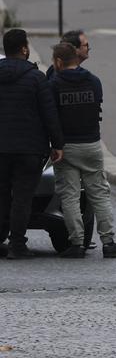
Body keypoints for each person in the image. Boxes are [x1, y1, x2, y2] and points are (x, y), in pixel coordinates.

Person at [49, 42, 116, 259]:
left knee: (70, 196)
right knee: (99, 193)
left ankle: (77, 243)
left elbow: (51, 117)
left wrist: (56, 145)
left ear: (59, 62)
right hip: (91, 144)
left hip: (67, 146)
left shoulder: (54, 85)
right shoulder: (94, 81)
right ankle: (109, 242)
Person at [0, 29, 64, 259]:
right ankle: (17, 245)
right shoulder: (36, 78)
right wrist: (57, 144)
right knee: (22, 198)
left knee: (2, 195)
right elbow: (49, 114)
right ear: (24, 49)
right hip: (29, 149)